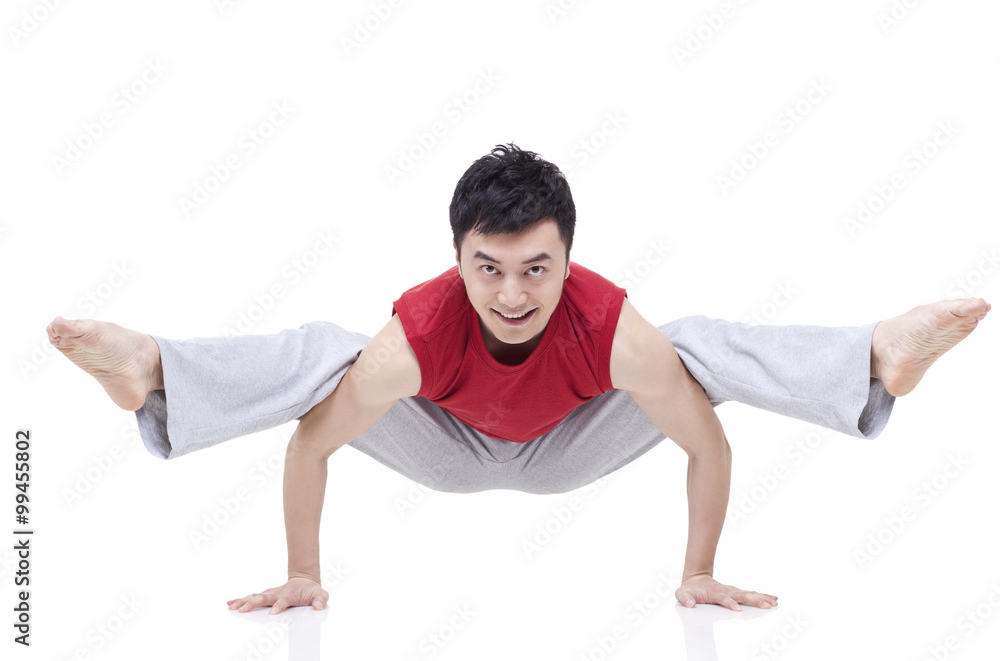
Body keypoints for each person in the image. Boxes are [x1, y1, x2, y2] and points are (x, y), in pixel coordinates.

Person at [46, 143, 990, 616]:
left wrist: (697, 571)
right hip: (445, 448)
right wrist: (304, 572)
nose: (510, 293)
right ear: (457, 259)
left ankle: (873, 356)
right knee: (331, 352)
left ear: (568, 258)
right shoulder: (414, 333)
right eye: (487, 267)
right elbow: (314, 439)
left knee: (694, 345)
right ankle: (158, 370)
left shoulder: (611, 326)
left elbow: (705, 437)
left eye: (536, 267)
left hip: (571, 447)